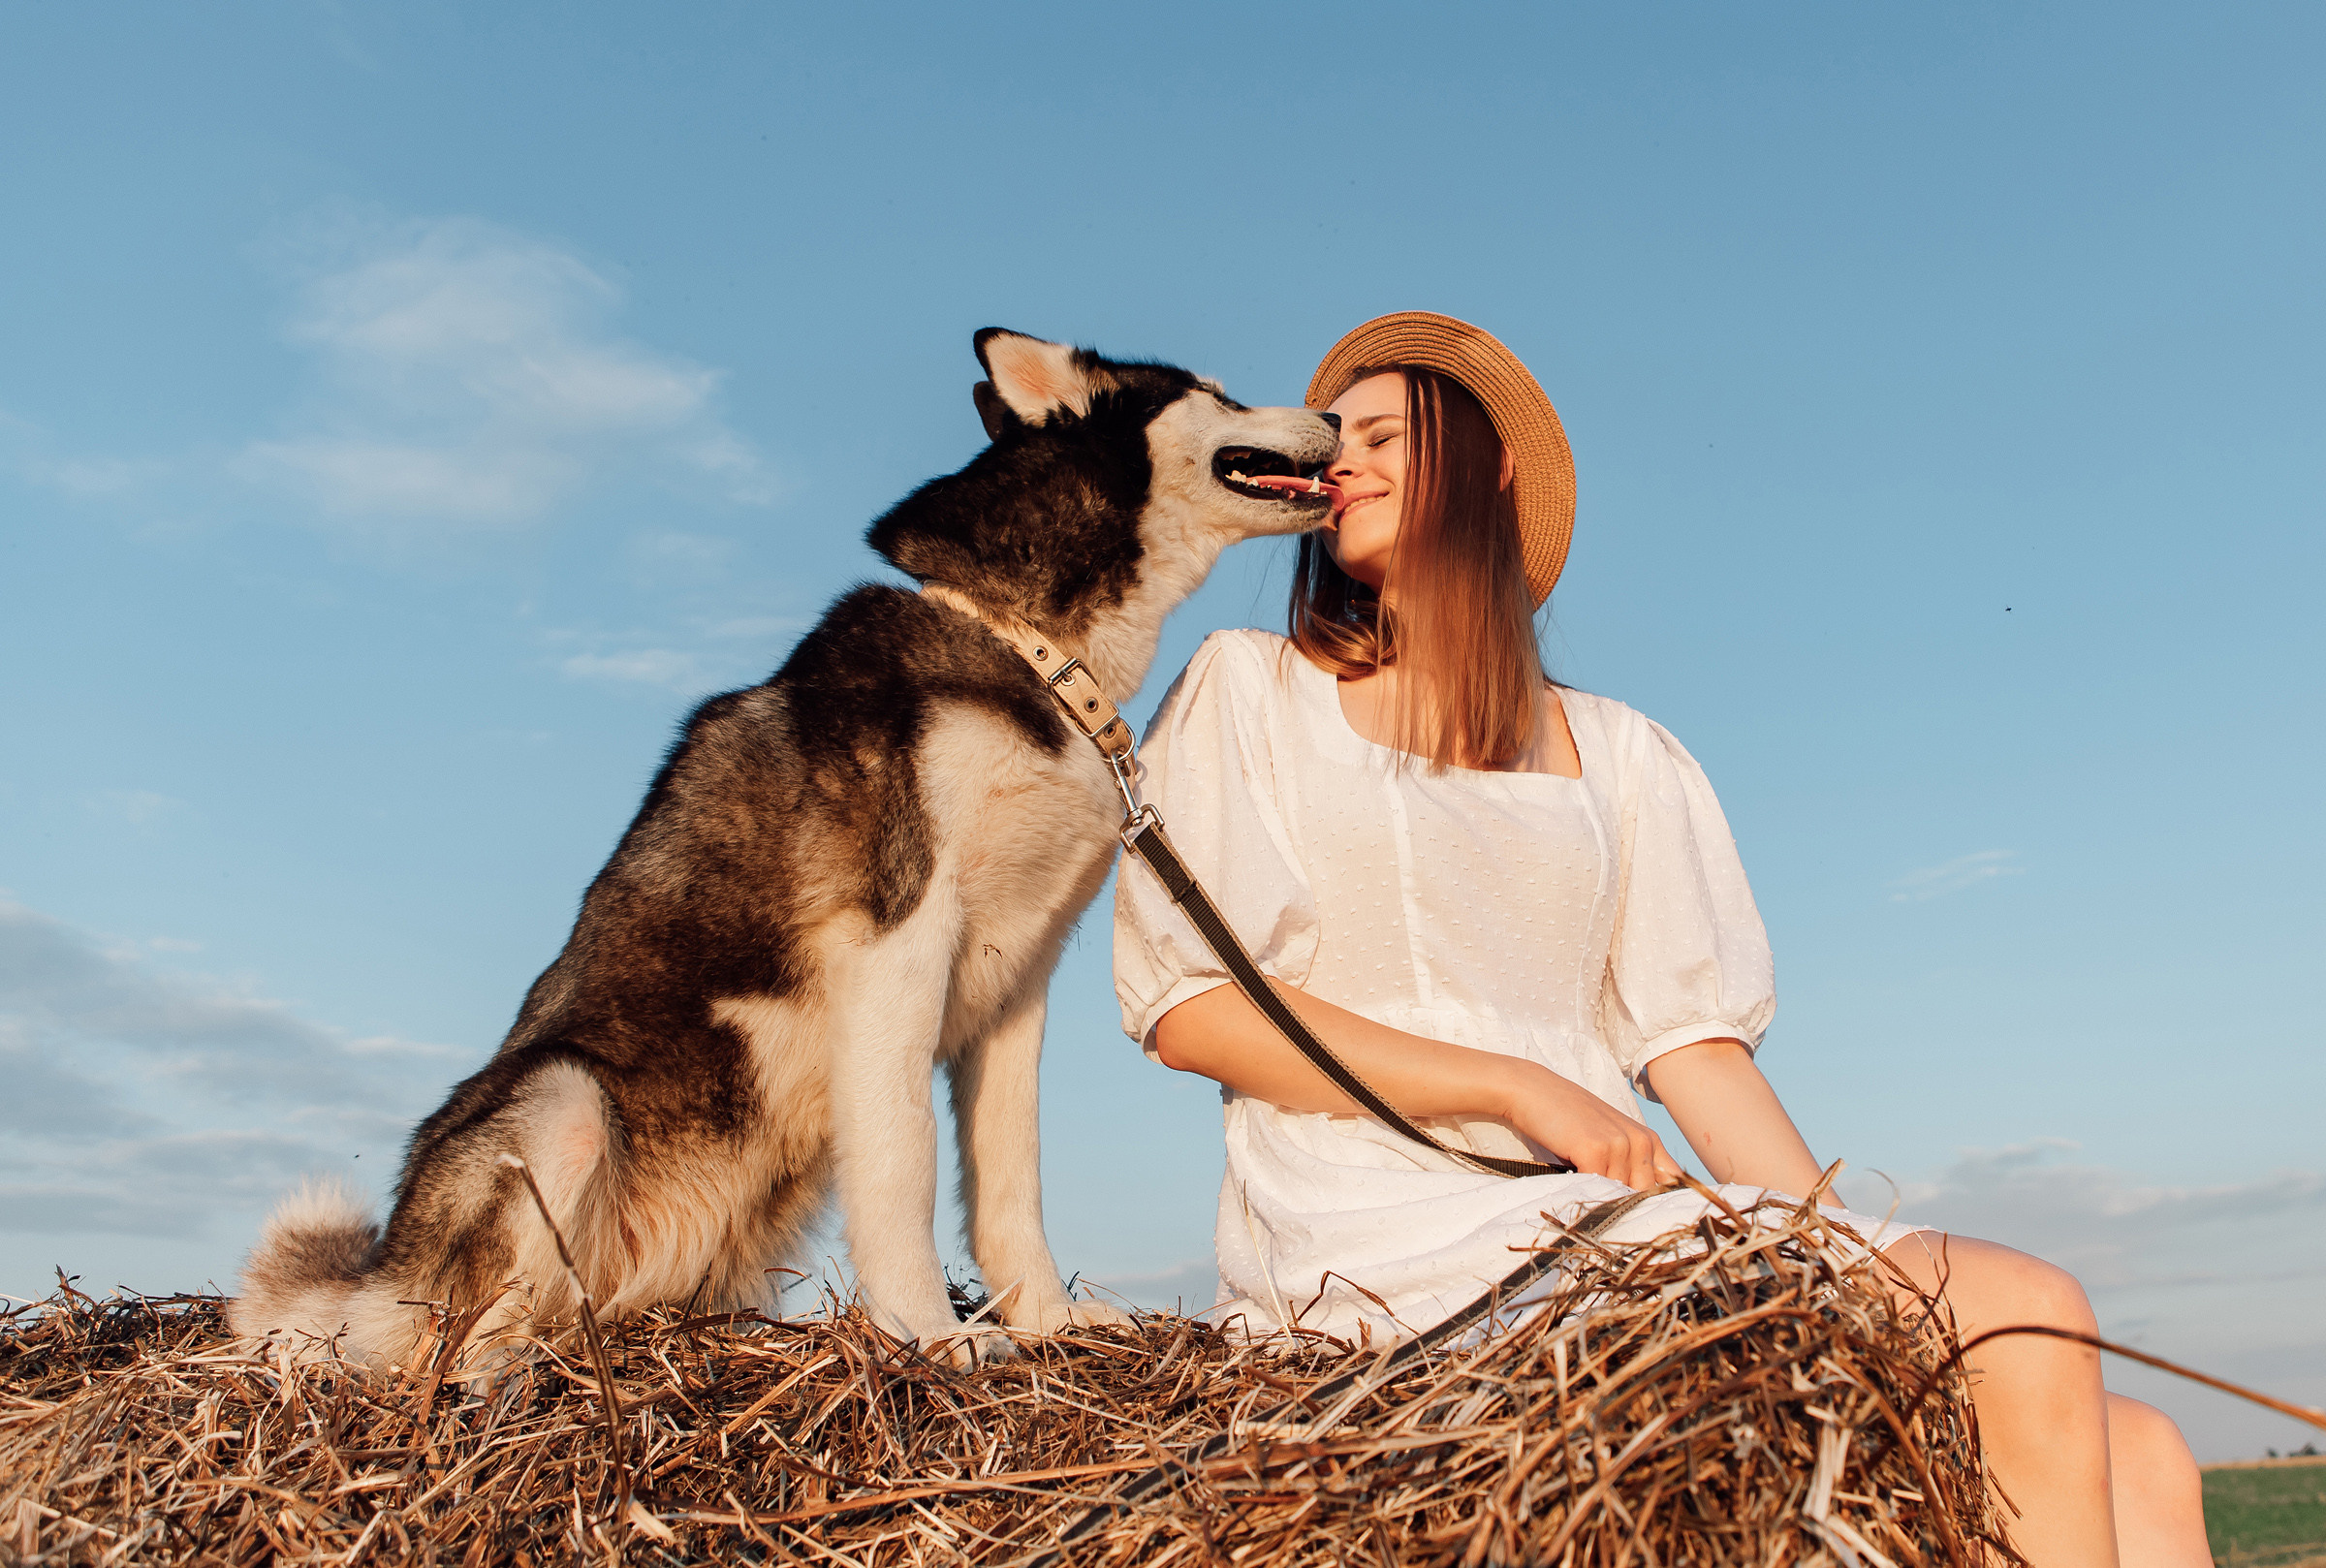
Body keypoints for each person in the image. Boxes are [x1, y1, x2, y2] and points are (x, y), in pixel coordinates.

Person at [1113, 312, 2210, 1566]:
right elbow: (1192, 1010)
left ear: (1490, 467)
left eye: (1378, 433)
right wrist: (1512, 1085)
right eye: (1330, 442)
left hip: (1604, 1222)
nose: (1338, 459)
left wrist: (1831, 1266)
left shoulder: (1625, 754)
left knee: (2138, 1440)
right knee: (2039, 1303)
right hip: (1378, 1235)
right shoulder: (1254, 693)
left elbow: (1696, 1051)